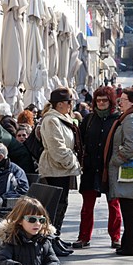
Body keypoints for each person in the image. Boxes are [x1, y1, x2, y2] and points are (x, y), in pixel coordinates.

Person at [73, 86, 122, 250]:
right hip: (90, 167)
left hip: (110, 169)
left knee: (114, 204)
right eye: (98, 100)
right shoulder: (89, 120)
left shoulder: (117, 119)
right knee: (87, 206)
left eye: (104, 100)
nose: (101, 103)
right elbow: (79, 141)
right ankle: (83, 237)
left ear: (110, 101)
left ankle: (116, 238)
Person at [106, 87, 133, 256]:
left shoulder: (131, 119)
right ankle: (130, 244)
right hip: (126, 172)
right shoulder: (129, 117)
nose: (120, 102)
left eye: (123, 99)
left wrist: (115, 160)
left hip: (128, 171)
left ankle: (131, 246)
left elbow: (132, 145)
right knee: (129, 210)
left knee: (130, 210)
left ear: (132, 102)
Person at [38, 88, 81, 236]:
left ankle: (56, 237)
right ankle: (50, 238)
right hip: (55, 169)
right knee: (54, 206)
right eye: (69, 102)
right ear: (61, 104)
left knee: (61, 204)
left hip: (61, 169)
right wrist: (72, 163)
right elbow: (57, 148)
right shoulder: (52, 120)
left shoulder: (62, 118)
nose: (71, 105)